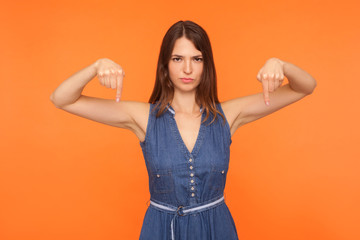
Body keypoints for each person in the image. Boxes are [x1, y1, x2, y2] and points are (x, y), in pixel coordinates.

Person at [50, 20, 317, 240]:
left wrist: (280, 64)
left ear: (206, 65)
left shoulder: (227, 115)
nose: (187, 68)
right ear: (165, 65)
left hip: (217, 230)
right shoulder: (144, 117)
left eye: (196, 59)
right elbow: (62, 99)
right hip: (161, 231)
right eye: (178, 58)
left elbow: (304, 86)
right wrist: (96, 66)